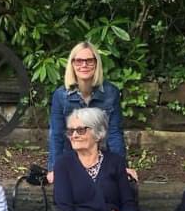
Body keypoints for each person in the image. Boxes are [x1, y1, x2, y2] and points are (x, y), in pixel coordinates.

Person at [47, 42, 129, 184]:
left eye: (89, 61)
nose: (84, 65)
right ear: (72, 64)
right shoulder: (60, 96)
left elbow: (114, 133)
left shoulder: (111, 93)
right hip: (71, 158)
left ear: (96, 64)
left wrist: (122, 168)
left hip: (102, 158)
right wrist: (55, 169)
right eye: (79, 61)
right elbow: (56, 135)